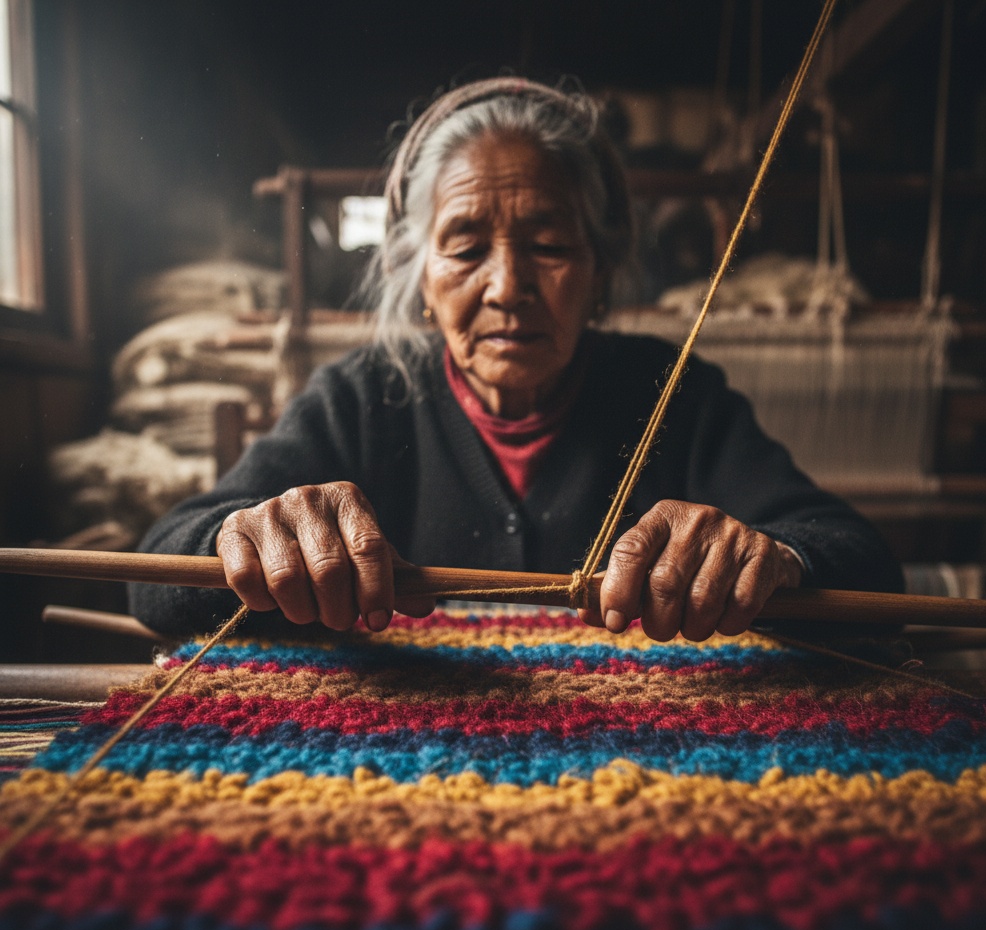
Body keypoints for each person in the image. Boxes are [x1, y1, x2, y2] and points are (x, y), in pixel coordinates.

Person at [129, 77, 903, 639]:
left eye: (551, 246)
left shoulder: (672, 395)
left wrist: (776, 558)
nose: (508, 287)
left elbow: (864, 562)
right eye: (465, 247)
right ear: (420, 277)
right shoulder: (360, 399)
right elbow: (156, 574)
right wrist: (245, 537)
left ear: (598, 274)